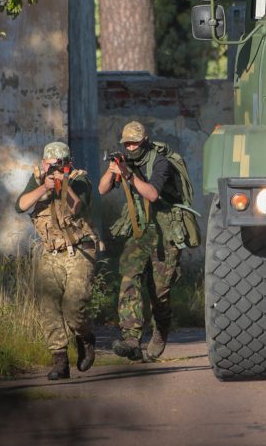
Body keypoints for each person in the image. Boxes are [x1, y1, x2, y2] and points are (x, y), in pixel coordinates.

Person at [16, 141, 101, 380]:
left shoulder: (79, 180)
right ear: (43, 163)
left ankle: (86, 337)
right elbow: (20, 205)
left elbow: (76, 208)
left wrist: (64, 185)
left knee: (74, 306)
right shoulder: (38, 179)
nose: (53, 168)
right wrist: (44, 186)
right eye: (49, 164)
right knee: (49, 307)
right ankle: (60, 361)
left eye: (59, 165)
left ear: (68, 164)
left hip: (80, 249)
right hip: (51, 252)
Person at [99, 121, 182, 361]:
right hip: (140, 232)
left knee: (160, 292)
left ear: (144, 141)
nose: (131, 147)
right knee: (129, 278)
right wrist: (114, 170)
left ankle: (160, 330)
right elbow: (103, 190)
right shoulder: (126, 160)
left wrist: (129, 175)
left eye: (135, 143)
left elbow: (153, 194)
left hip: (165, 231)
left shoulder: (159, 161)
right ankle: (131, 338)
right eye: (127, 144)